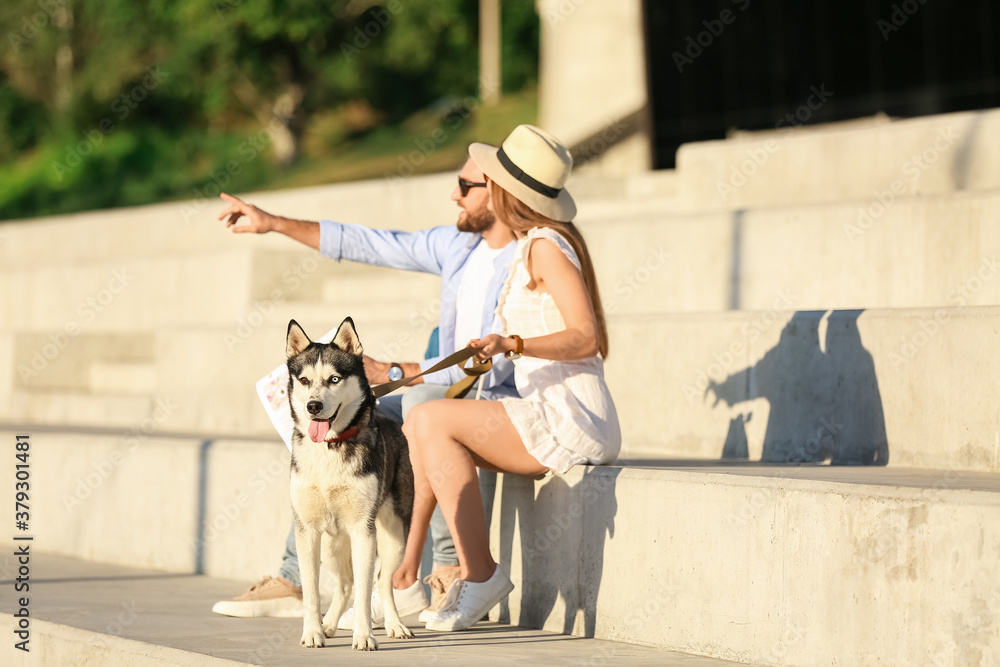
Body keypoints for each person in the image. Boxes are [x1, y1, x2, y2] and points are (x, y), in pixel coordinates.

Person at [210, 155, 519, 619]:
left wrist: (396, 372)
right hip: (441, 382)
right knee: (331, 423)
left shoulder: (527, 258)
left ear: (499, 191)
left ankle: (446, 567)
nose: (453, 193)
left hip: (489, 396)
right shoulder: (460, 246)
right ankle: (300, 581)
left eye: (464, 183)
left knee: (418, 404)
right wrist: (272, 222)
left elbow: (489, 366)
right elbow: (369, 243)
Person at [398, 124, 622, 632]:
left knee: (431, 419)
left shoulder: (545, 245)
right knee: (421, 423)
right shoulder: (530, 247)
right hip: (546, 407)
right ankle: (421, 570)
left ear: (505, 192)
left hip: (572, 415)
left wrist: (513, 344)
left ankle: (481, 574)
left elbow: (586, 337)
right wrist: (407, 371)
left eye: (489, 180)